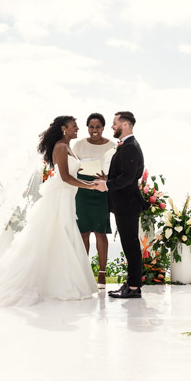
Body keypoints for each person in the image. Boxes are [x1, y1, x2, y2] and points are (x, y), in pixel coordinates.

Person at [0, 115, 98, 306]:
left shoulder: (68, 147)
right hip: (59, 196)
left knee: (63, 233)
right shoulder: (61, 147)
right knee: (59, 233)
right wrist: (92, 186)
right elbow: (64, 177)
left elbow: (71, 175)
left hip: (67, 197)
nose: (77, 128)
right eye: (74, 126)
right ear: (64, 128)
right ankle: (60, 284)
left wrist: (94, 178)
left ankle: (64, 280)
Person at [93, 111, 146, 299]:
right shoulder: (126, 145)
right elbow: (124, 174)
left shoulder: (130, 146)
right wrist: (107, 179)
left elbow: (129, 177)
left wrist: (106, 185)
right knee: (128, 245)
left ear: (125, 124)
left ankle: (133, 288)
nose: (112, 126)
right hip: (124, 203)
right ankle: (131, 284)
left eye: (115, 123)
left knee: (131, 246)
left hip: (128, 204)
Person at [71, 113, 116, 287]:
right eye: (91, 126)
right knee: (83, 232)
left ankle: (102, 274)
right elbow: (73, 166)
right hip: (82, 190)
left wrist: (107, 177)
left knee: (100, 231)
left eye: (97, 126)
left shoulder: (112, 145)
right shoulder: (79, 145)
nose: (94, 130)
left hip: (102, 190)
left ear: (103, 127)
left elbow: (115, 167)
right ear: (87, 127)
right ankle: (84, 272)